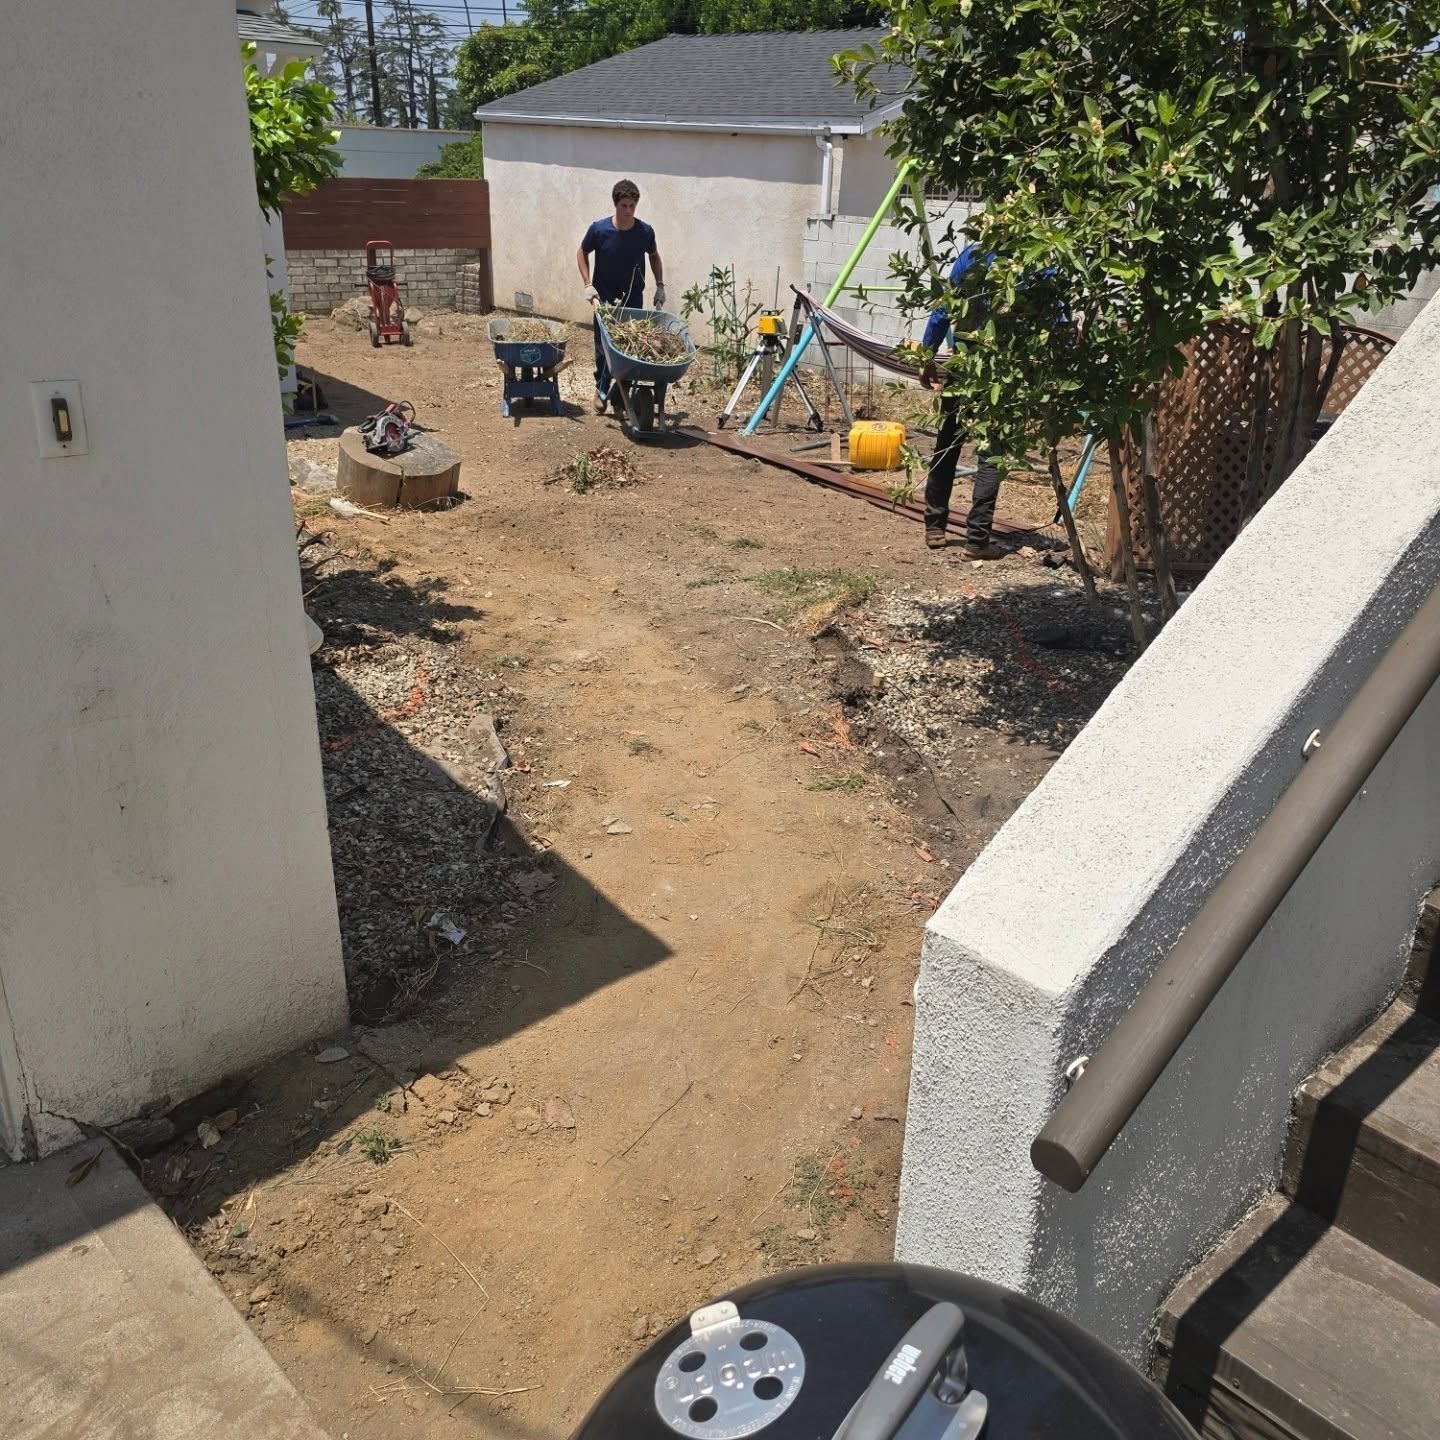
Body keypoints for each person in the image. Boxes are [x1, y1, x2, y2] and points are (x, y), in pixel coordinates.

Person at [920, 245, 1004, 558]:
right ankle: (977, 540)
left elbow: (945, 309)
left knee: (948, 442)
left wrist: (928, 354)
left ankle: (935, 526)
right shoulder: (1036, 260)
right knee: (991, 451)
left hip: (963, 364)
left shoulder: (973, 254)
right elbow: (1054, 316)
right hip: (1001, 374)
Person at [577, 179, 666, 414]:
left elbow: (654, 256)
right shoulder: (600, 230)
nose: (628, 211)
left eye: (632, 206)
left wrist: (660, 285)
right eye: (624, 205)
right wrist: (588, 285)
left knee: (627, 347)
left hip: (632, 300)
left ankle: (617, 391)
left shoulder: (644, 232)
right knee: (603, 347)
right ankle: (602, 388)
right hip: (604, 299)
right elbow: (582, 252)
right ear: (615, 204)